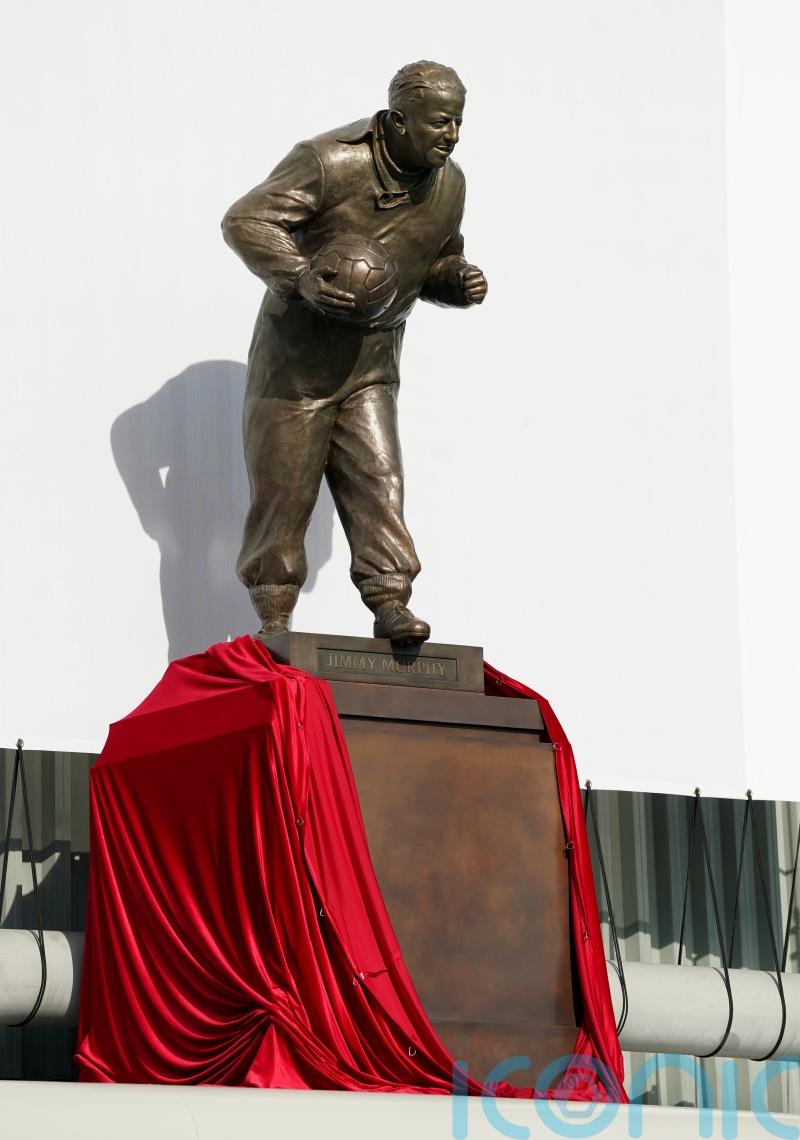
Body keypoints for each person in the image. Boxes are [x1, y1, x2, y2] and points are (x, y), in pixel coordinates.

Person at [222, 60, 487, 645]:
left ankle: (391, 603)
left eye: (459, 123)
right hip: (294, 370)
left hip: (371, 366)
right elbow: (247, 219)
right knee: (283, 494)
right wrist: (300, 275)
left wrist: (454, 279)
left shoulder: (451, 185)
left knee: (379, 480)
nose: (453, 135)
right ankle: (274, 618)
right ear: (396, 121)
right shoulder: (327, 162)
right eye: (441, 122)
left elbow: (436, 257)